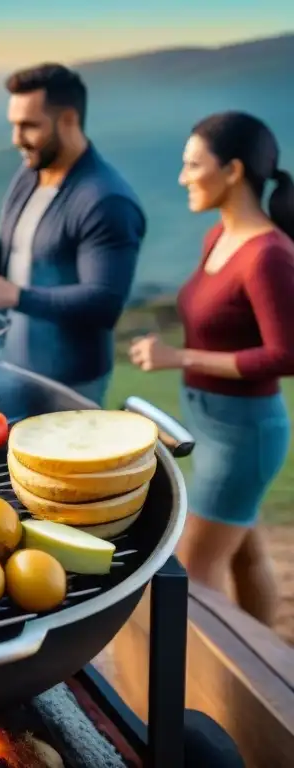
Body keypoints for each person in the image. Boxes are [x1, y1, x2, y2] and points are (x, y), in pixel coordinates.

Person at [129, 112, 294, 626]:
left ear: (233, 170)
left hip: (246, 432)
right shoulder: (218, 237)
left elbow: (286, 354)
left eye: (192, 165)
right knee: (245, 552)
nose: (182, 177)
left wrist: (179, 357)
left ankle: (198, 694)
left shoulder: (268, 255)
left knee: (192, 577)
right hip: (206, 419)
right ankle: (275, 669)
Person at [0, 64, 146, 406]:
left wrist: (15, 295)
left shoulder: (106, 201)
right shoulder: (33, 170)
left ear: (69, 120)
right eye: (14, 125)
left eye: (29, 126)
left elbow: (104, 303)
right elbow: (9, 239)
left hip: (71, 384)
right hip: (14, 366)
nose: (16, 139)